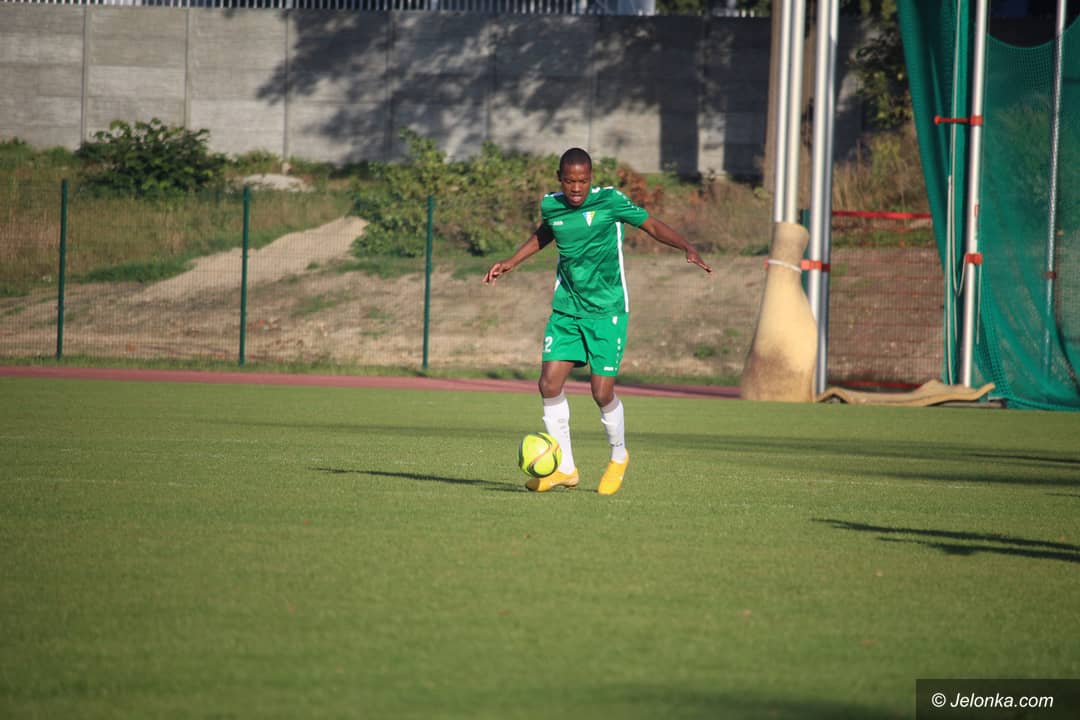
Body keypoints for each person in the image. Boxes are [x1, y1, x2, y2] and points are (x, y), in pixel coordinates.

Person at [483, 147, 712, 495]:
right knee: (548, 384)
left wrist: (686, 246)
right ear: (560, 179)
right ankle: (565, 469)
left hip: (607, 310)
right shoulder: (551, 205)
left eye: (583, 181)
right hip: (567, 309)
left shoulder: (610, 201)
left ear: (591, 179)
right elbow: (546, 233)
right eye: (570, 181)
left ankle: (619, 456)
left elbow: (650, 224)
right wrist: (511, 261)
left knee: (601, 391)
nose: (577, 188)